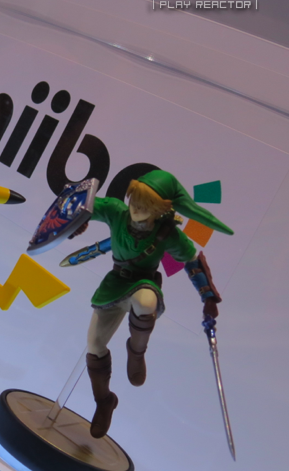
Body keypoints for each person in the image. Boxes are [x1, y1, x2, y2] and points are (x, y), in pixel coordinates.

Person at [74, 170, 233, 439]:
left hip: (144, 282)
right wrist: (75, 221)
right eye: (135, 201)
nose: (136, 209)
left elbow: (192, 262)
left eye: (145, 206)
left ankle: (137, 352)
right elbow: (83, 206)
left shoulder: (167, 233)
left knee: (145, 300)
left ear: (160, 210)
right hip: (115, 283)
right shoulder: (116, 211)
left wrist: (207, 297)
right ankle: (104, 401)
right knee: (94, 345)